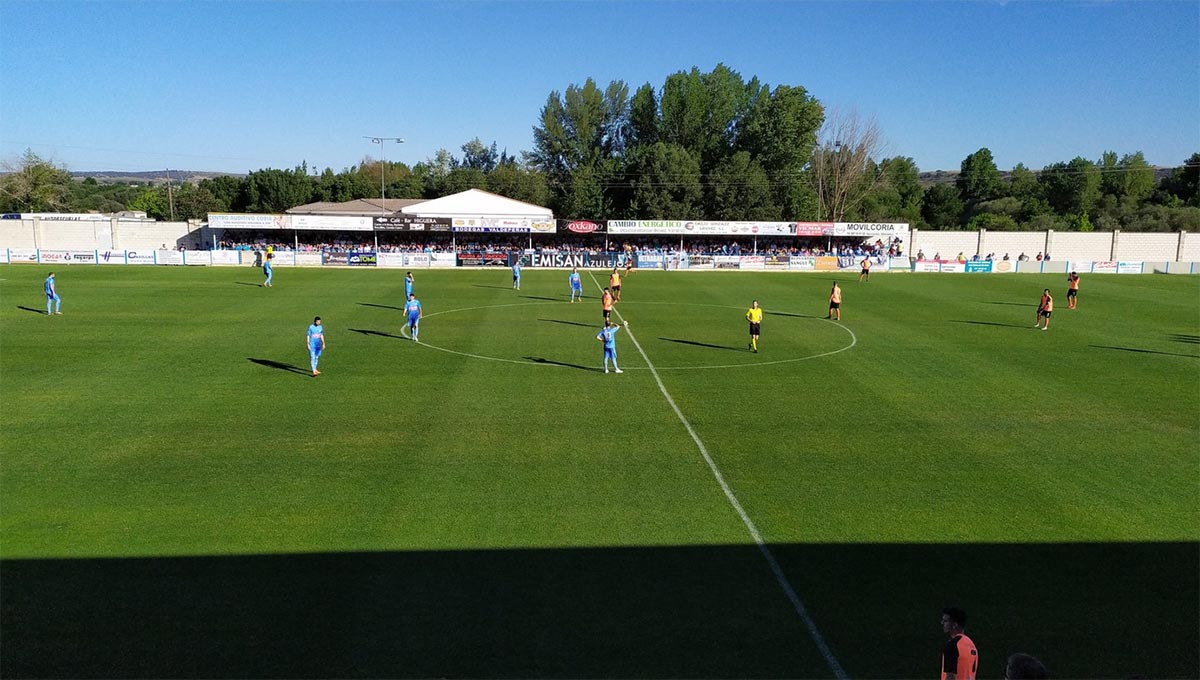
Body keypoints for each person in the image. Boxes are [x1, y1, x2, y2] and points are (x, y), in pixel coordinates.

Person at [940, 606, 978, 680]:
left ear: (955, 624)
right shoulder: (972, 646)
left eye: (945, 621)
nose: (942, 623)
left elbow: (950, 676)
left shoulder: (952, 645)